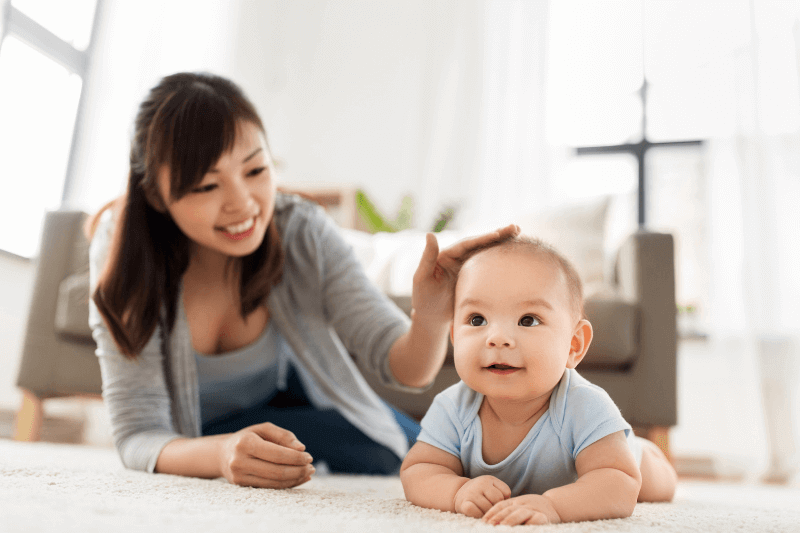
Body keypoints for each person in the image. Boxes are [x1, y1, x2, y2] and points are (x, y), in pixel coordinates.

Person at [86, 71, 520, 487]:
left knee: (432, 460)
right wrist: (220, 454)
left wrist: (429, 314)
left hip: (287, 403)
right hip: (194, 433)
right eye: (205, 186)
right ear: (157, 196)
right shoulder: (124, 256)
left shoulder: (301, 231)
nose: (243, 204)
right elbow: (138, 435)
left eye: (255, 171)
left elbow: (404, 367)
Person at [399, 235, 678, 526]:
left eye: (528, 320)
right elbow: (419, 469)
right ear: (455, 336)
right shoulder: (452, 407)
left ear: (573, 346)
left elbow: (619, 485)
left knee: (656, 485)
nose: (497, 339)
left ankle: (645, 450)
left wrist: (553, 505)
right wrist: (457, 491)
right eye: (477, 319)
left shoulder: (585, 405)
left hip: (621, 454)